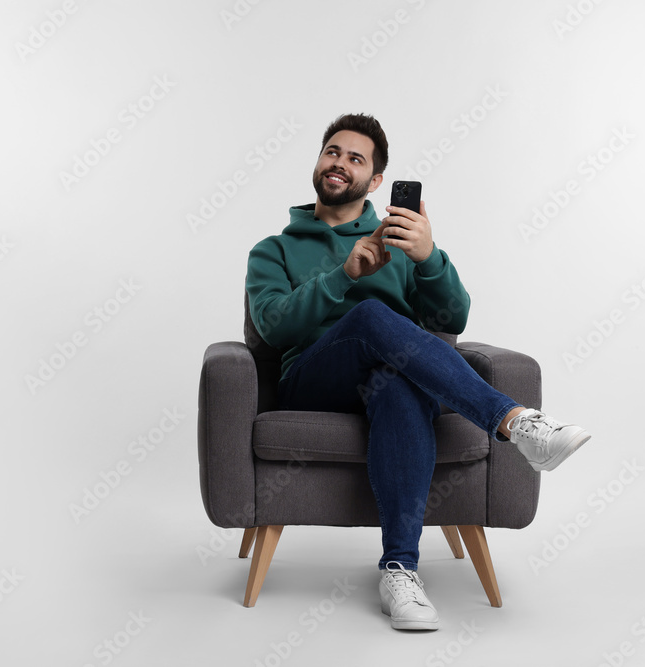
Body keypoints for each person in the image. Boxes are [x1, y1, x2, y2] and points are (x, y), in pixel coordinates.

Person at [244, 113, 591, 631]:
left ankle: (400, 569)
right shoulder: (273, 249)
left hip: (389, 377)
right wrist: (344, 277)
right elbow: (272, 327)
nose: (339, 164)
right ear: (318, 162)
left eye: (355, 159)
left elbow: (453, 318)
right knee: (369, 316)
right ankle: (515, 423)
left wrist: (429, 258)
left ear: (376, 181)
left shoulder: (401, 242)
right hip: (314, 382)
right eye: (332, 152)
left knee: (401, 388)